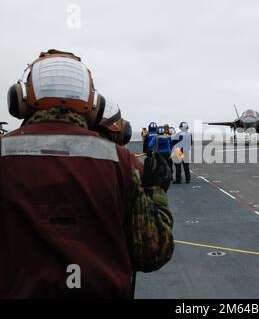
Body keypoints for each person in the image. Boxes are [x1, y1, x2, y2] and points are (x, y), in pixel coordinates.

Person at [1, 49, 174, 298]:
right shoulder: (120, 161)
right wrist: (156, 191)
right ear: (94, 104)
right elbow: (153, 252)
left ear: (20, 98)